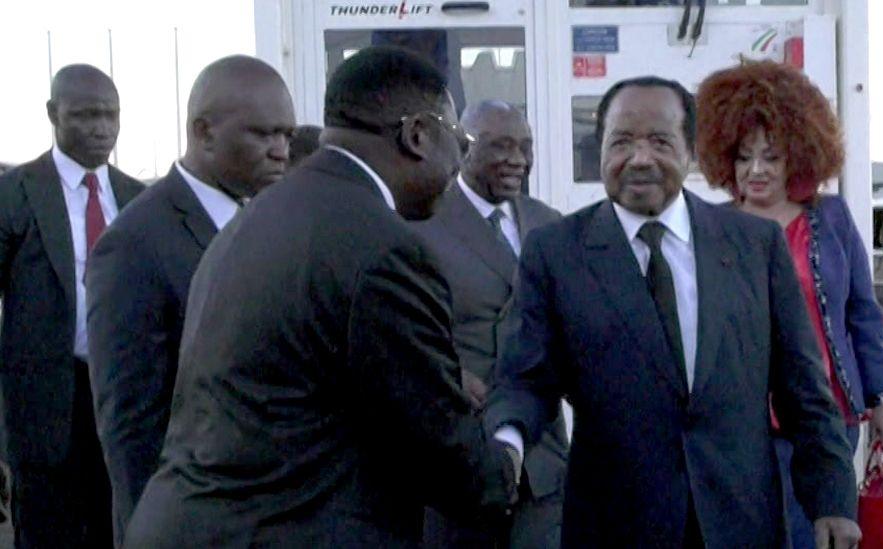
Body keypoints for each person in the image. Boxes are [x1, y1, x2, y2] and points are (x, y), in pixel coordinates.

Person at [124, 46, 516, 548]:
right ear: (418, 134)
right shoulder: (384, 247)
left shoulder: (262, 212)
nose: (460, 159)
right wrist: (508, 448)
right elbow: (445, 458)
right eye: (459, 139)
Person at [484, 75, 861, 548]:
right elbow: (525, 378)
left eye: (660, 141)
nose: (640, 158)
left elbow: (803, 387)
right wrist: (507, 443)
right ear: (600, 149)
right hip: (615, 525)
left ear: (691, 153)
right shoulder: (556, 252)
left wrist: (832, 501)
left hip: (741, 522)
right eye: (622, 141)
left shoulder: (754, 245)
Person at [86, 55, 296, 546]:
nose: (281, 151)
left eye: (286, 135)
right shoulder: (135, 243)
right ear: (204, 132)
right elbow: (129, 426)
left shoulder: (271, 220)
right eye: (264, 134)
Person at [695, 59, 883, 549]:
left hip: (824, 419)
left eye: (772, 156)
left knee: (817, 536)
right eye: (744, 157)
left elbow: (862, 315)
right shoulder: (710, 228)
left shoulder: (830, 219)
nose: (757, 170)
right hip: (741, 425)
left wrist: (882, 401)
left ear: (799, 158)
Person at [0, 64, 144, 548]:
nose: (102, 128)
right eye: (85, 115)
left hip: (123, 399)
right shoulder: (14, 195)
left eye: (111, 115)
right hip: (44, 409)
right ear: (52, 114)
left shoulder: (139, 199)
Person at [412, 100, 565, 549]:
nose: (517, 159)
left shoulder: (548, 224)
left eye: (525, 146)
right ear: (463, 147)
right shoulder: (421, 223)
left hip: (544, 464)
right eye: (500, 146)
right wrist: (446, 374)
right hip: (461, 460)